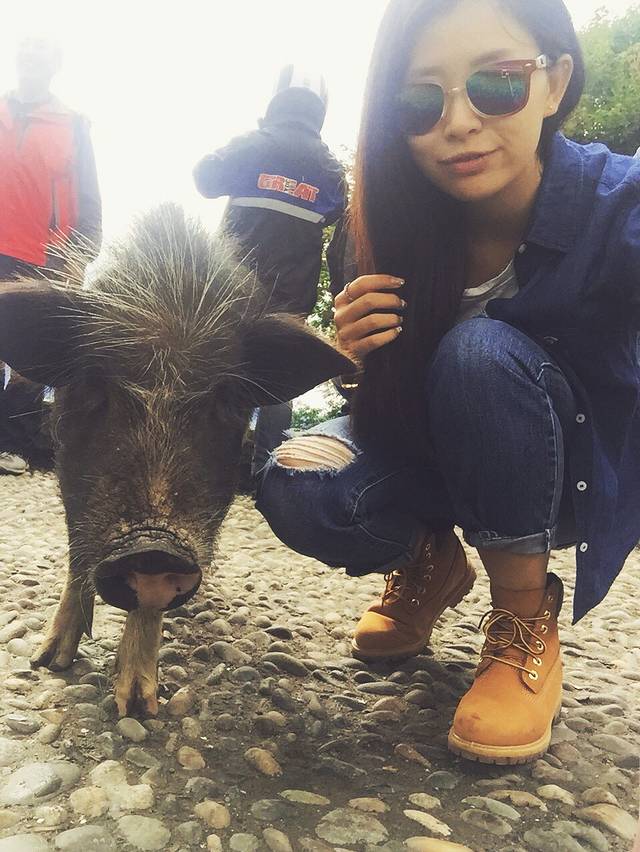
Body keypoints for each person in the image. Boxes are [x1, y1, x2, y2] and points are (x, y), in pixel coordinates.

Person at [255, 0, 640, 765]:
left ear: (555, 81)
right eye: (419, 100)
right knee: (293, 476)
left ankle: (523, 624)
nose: (458, 122)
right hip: (441, 455)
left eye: (496, 83)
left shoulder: (617, 208)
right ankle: (430, 560)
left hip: (566, 474)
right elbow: (388, 410)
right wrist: (356, 364)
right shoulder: (377, 227)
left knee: (478, 352)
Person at [193, 66, 346, 475]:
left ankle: (210, 465)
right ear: (321, 109)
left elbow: (205, 178)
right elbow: (336, 211)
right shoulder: (330, 168)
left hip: (229, 287)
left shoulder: (253, 145)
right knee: (277, 376)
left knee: (217, 368)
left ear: (278, 98)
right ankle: (265, 474)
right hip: (290, 294)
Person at [0, 36, 102, 474]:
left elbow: (89, 199)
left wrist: (81, 254)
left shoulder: (73, 123)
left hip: (44, 255)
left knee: (30, 354)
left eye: (43, 49)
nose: (32, 55)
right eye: (27, 47)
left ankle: (15, 445)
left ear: (55, 63)